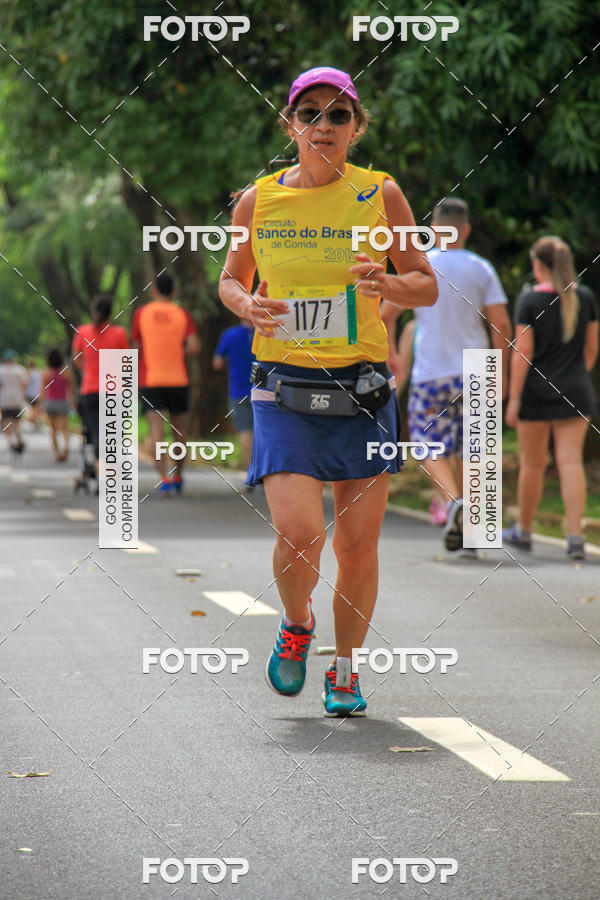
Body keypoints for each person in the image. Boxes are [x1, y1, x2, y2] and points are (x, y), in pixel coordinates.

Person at [219, 67, 438, 717]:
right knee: (298, 532)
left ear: (356, 128)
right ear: (289, 124)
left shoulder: (382, 195)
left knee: (357, 544)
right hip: (284, 388)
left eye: (338, 115)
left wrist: (387, 285)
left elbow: (424, 284)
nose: (323, 125)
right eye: (309, 113)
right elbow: (230, 280)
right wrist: (246, 307)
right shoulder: (257, 202)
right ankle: (297, 622)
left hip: (363, 392)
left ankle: (344, 671)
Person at [383, 198, 512, 555]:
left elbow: (386, 312)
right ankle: (472, 533)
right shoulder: (482, 268)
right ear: (466, 229)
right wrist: (499, 371)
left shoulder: (422, 269)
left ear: (434, 230)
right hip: (476, 368)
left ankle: (453, 501)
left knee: (427, 444)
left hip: (431, 373)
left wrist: (392, 353)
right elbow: (500, 323)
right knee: (475, 451)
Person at [504, 236, 598, 560]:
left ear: (540, 266)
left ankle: (525, 532)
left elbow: (523, 353)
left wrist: (513, 399)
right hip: (577, 391)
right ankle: (575, 538)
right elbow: (591, 350)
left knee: (533, 464)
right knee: (570, 462)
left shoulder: (529, 300)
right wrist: (572, 376)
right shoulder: (585, 297)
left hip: (535, 394)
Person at [131, 273, 200, 493]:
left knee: (155, 432)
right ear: (174, 292)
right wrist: (176, 349)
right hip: (179, 380)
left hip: (151, 381)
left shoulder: (142, 313)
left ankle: (164, 477)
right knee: (180, 431)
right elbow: (194, 347)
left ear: (154, 291)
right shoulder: (183, 314)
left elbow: (136, 347)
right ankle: (178, 475)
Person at [394, 318, 447, 526]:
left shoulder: (412, 328)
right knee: (449, 451)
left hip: (429, 391)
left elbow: (402, 371)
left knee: (431, 449)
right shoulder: (414, 328)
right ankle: (450, 501)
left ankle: (449, 501)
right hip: (456, 387)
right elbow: (402, 371)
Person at [72, 295, 129, 471]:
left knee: (97, 433)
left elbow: (77, 360)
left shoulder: (82, 332)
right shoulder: (119, 334)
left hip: (90, 391)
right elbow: (125, 361)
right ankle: (110, 471)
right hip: (114, 391)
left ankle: (102, 472)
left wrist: (88, 371)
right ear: (110, 313)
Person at [212, 317, 256, 474]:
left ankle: (251, 473)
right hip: (264, 390)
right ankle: (266, 472)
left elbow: (217, 363)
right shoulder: (265, 333)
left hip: (238, 391)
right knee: (265, 432)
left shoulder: (229, 335)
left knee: (245, 431)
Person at [41, 348, 75, 462]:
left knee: (53, 430)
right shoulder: (66, 372)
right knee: (64, 428)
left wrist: (40, 405)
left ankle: (57, 453)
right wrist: (72, 403)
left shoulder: (46, 372)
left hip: (50, 403)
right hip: (62, 402)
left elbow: (43, 391)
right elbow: (70, 390)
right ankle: (66, 446)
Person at [0, 349, 28, 455]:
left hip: (4, 399)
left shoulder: (1, 370)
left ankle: (9, 441)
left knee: (6, 421)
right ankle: (18, 437)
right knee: (17, 421)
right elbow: (24, 384)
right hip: (17, 399)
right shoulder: (20, 370)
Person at [25, 360, 43, 429]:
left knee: (33, 408)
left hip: (31, 393)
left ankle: (35, 421)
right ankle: (37, 421)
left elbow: (26, 383)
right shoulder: (39, 372)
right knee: (36, 408)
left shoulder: (29, 372)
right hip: (38, 393)